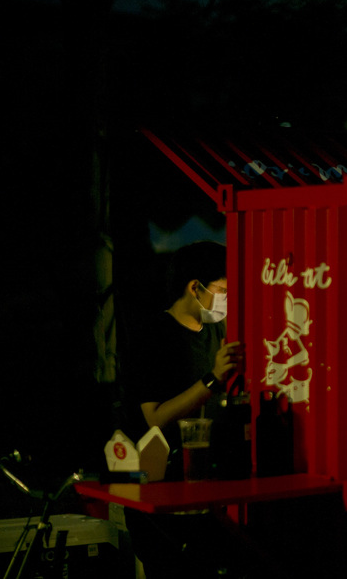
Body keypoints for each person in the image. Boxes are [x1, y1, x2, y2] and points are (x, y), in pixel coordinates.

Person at [123, 240, 249, 579]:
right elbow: (155, 418)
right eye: (222, 290)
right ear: (195, 287)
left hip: (206, 489)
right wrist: (212, 380)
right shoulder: (151, 336)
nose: (225, 299)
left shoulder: (218, 331)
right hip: (157, 493)